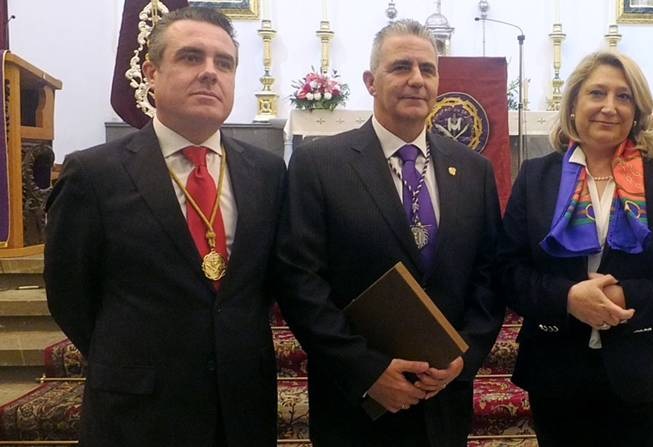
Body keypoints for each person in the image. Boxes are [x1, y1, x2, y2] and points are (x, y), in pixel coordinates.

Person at [44, 7, 285, 447]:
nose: (210, 73)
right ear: (151, 73)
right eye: (191, 58)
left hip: (242, 408)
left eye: (224, 63)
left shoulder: (268, 173)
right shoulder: (94, 174)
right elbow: (70, 294)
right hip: (139, 411)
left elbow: (266, 285)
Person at [272, 19, 503, 447]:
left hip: (444, 397)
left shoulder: (474, 169)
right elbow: (299, 280)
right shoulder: (320, 165)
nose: (416, 80)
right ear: (370, 81)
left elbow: (489, 274)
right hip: (356, 403)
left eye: (427, 69)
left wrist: (463, 357)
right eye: (401, 67)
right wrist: (366, 371)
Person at [497, 50, 653, 447]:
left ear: (637, 109)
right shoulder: (537, 177)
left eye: (623, 96)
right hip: (556, 369)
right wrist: (568, 297)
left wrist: (626, 295)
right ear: (574, 103)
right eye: (597, 93)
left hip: (644, 370)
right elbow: (508, 270)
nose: (609, 107)